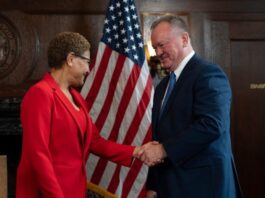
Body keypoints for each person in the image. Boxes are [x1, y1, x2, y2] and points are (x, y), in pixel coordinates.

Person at [16, 32, 143, 198]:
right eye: (86, 62)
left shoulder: (77, 99)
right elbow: (38, 155)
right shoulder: (40, 94)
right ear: (70, 59)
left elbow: (95, 142)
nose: (88, 70)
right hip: (48, 193)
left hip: (75, 189)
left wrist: (136, 151)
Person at [139, 16, 243, 198]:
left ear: (184, 39)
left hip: (205, 186)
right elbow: (159, 136)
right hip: (170, 187)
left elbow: (212, 125)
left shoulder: (209, 74)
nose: (158, 52)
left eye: (162, 45)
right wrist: (153, 185)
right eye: (155, 47)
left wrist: (163, 150)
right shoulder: (163, 85)